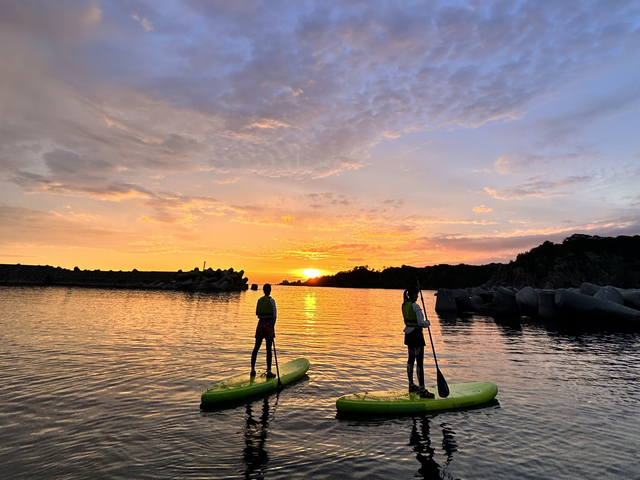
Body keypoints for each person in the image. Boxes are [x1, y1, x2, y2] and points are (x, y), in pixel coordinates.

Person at [402, 286, 435, 398]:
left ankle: (411, 385)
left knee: (411, 360)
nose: (418, 296)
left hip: (408, 335)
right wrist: (428, 323)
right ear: (413, 294)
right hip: (416, 335)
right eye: (417, 294)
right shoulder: (415, 306)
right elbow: (421, 323)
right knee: (419, 362)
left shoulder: (404, 305)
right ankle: (422, 390)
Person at [251, 284, 277, 378]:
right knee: (268, 349)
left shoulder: (259, 300)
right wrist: (272, 326)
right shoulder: (272, 301)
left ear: (263, 290)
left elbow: (257, 313)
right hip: (269, 324)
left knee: (256, 347)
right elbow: (274, 314)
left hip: (260, 324)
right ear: (270, 290)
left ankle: (252, 369)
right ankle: (269, 371)